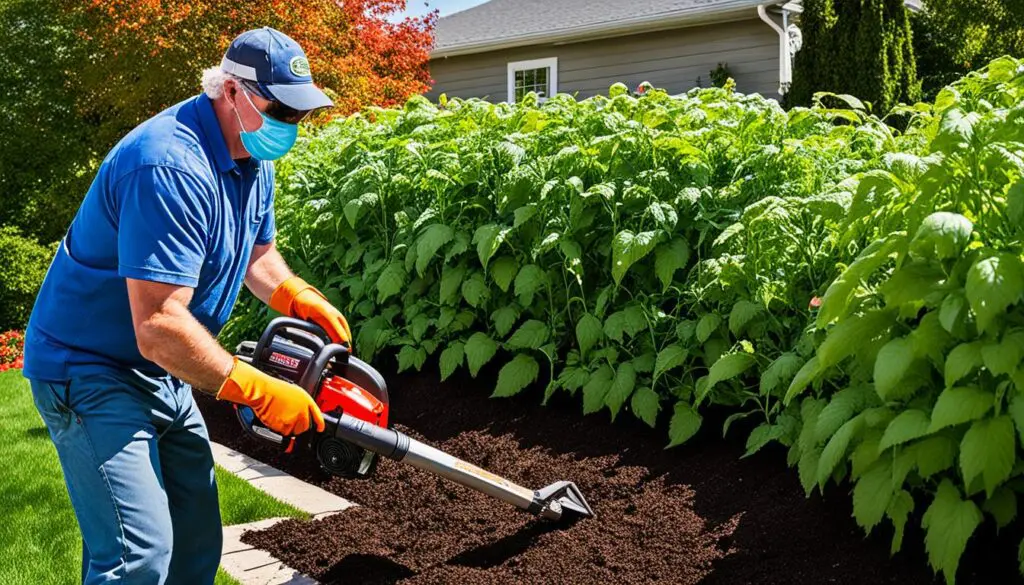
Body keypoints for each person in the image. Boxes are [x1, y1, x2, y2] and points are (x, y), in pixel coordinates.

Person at [22, 27, 352, 584]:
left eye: (299, 116)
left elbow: (258, 254)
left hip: (159, 367)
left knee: (195, 544)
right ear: (231, 90)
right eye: (281, 111)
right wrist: (255, 388)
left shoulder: (250, 156)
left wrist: (294, 294)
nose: (290, 128)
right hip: (89, 368)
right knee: (136, 555)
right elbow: (157, 325)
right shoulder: (168, 166)